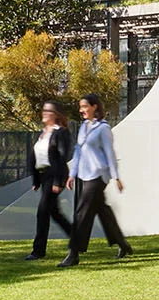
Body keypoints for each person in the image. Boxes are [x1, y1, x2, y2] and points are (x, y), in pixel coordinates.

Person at [62, 93, 132, 268]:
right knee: (102, 211)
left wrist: (116, 177)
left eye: (85, 106)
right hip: (84, 175)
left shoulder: (103, 129)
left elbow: (110, 153)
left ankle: (74, 253)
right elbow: (78, 152)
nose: (82, 110)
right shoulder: (84, 126)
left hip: (98, 176)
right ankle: (123, 244)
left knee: (81, 213)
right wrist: (72, 174)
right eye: (81, 107)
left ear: (95, 107)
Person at [26, 101, 74, 261]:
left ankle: (38, 251)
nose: (45, 113)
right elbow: (36, 156)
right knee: (55, 213)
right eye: (44, 110)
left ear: (56, 114)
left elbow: (62, 157)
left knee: (42, 212)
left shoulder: (61, 132)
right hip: (44, 177)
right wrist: (36, 180)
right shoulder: (42, 133)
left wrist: (58, 181)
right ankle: (78, 238)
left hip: (54, 176)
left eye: (48, 110)